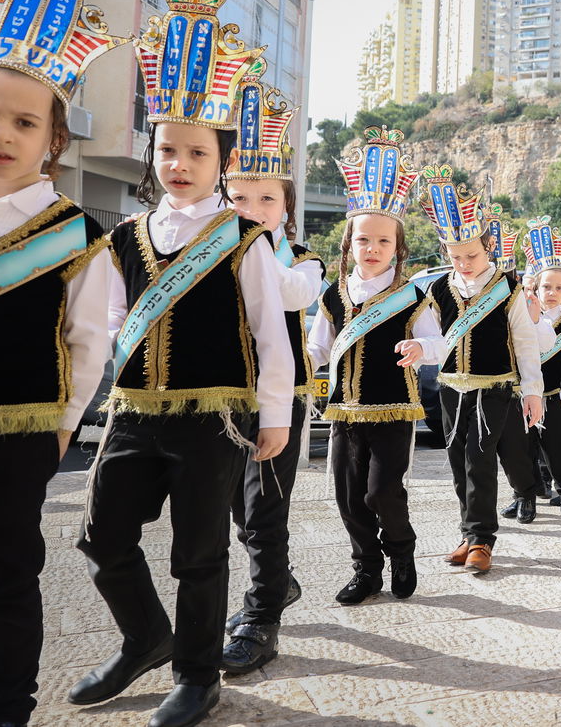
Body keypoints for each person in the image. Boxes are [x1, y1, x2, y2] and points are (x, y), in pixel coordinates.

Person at [73, 0, 294, 727]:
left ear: (221, 159)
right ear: (153, 151)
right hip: (134, 414)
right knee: (100, 534)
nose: (179, 162)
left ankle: (198, 675)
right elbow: (103, 326)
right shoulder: (125, 237)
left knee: (200, 555)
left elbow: (270, 332)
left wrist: (276, 414)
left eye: (197, 151)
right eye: (167, 148)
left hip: (214, 421)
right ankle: (145, 636)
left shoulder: (243, 238)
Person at [0, 0, 120, 727]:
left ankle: (7, 707)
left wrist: (64, 422)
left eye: (24, 121)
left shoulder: (74, 234)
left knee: (4, 573)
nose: (1, 132)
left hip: (19, 430)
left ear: (54, 140)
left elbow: (89, 339)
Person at [220, 69, 325, 674]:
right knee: (235, 506)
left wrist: (247, 253)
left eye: (267, 198)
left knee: (265, 510)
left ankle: (262, 617)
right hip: (220, 396)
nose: (254, 209)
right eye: (240, 197)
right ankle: (279, 584)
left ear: (287, 206)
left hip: (279, 401)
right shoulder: (208, 248)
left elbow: (287, 295)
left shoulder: (303, 262)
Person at [309, 128, 436, 603]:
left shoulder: (411, 296)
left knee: (382, 492)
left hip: (394, 407)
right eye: (364, 239)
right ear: (349, 244)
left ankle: (401, 551)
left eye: (383, 240)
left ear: (398, 247)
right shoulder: (332, 295)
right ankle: (366, 569)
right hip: (343, 410)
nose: (373, 248)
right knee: (347, 498)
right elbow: (318, 349)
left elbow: (437, 341)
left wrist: (423, 351)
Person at [406, 170, 543, 572]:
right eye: (455, 257)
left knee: (479, 459)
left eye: (473, 255)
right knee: (456, 461)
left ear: (488, 248)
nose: (464, 264)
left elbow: (525, 342)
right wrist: (418, 348)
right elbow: (434, 340)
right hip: (450, 388)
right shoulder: (437, 290)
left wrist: (532, 391)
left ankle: (483, 539)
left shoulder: (508, 287)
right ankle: (468, 533)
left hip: (493, 388)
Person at [484, 205, 545, 525]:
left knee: (516, 446)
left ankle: (527, 495)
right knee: (488, 449)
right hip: (484, 382)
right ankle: (514, 494)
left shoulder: (518, 297)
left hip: (516, 384)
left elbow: (531, 342)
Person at [522, 217, 561, 515]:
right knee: (524, 448)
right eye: (546, 286)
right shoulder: (523, 317)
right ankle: (529, 495)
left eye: (558, 288)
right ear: (536, 286)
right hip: (525, 393)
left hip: (555, 394)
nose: (552, 292)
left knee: (556, 449)